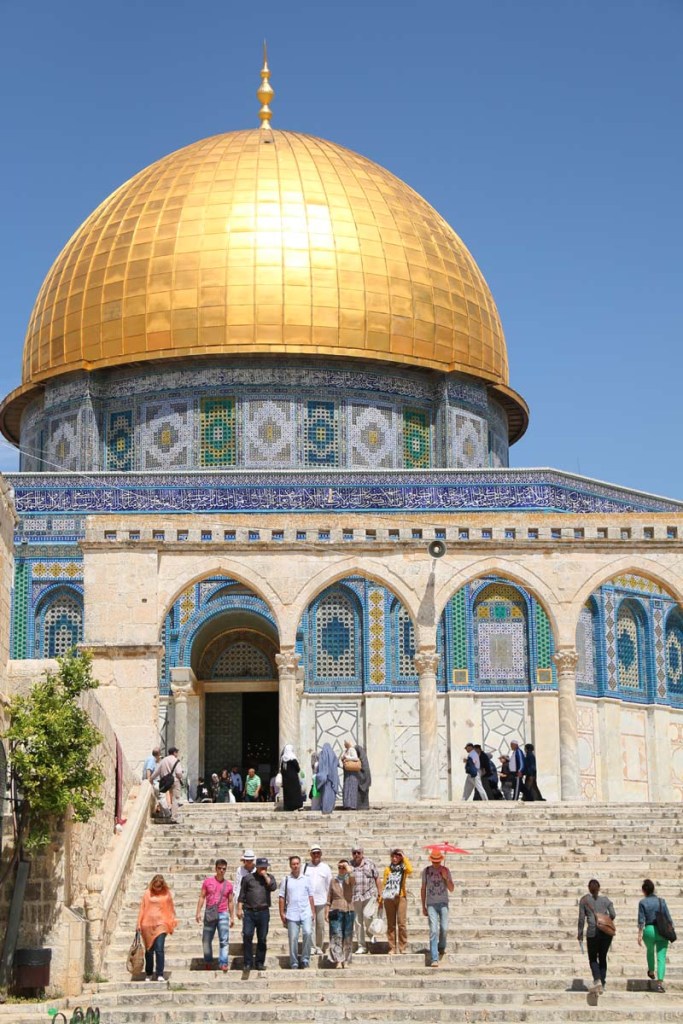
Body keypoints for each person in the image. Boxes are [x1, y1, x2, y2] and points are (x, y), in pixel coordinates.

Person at [238, 856, 277, 971]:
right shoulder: (247, 878)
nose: (263, 869)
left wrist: (265, 876)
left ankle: (260, 962)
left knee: (262, 937)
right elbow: (242, 895)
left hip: (263, 912)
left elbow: (273, 887)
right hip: (249, 912)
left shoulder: (269, 878)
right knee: (247, 935)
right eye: (261, 867)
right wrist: (239, 909)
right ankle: (248, 963)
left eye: (265, 867)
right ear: (257, 867)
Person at [577, 878, 616, 996]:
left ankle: (597, 979)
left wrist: (580, 934)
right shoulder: (606, 900)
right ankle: (602, 984)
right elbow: (613, 914)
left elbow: (581, 919)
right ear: (599, 888)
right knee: (603, 956)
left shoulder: (584, 900)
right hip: (605, 932)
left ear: (589, 888)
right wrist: (605, 920)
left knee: (593, 958)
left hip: (592, 932)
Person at [136, 874, 177, 982]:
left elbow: (170, 909)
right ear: (152, 884)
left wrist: (171, 923)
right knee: (149, 950)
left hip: (161, 924)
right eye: (156, 886)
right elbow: (142, 908)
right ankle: (149, 973)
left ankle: (159, 973)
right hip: (147, 924)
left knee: (159, 949)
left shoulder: (166, 894)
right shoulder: (147, 894)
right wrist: (138, 924)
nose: (157, 889)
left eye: (159, 886)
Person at [196, 859, 234, 972]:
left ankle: (223, 962)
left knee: (224, 940)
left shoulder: (228, 885)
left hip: (223, 913)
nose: (222, 871)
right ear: (215, 868)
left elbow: (231, 901)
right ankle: (208, 961)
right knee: (206, 940)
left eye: (224, 869)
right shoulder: (208, 882)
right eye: (220, 868)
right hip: (210, 913)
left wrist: (232, 917)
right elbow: (202, 896)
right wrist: (198, 912)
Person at [279, 855, 315, 968]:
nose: (295, 866)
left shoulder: (306, 879)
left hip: (305, 911)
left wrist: (313, 911)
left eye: (297, 864)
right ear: (290, 865)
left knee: (308, 932)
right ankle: (294, 961)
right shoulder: (286, 880)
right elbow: (281, 897)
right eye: (293, 864)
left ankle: (305, 958)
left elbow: (310, 896)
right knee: (293, 938)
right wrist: (281, 913)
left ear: (300, 864)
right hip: (292, 913)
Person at [638, 878, 674, 992]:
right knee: (661, 957)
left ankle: (651, 971)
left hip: (649, 930)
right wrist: (671, 929)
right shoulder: (661, 901)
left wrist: (639, 934)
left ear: (644, 891)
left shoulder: (642, 902)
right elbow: (668, 917)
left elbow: (641, 920)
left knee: (650, 950)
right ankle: (659, 984)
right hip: (662, 930)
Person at [421, 850, 454, 967]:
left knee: (444, 928)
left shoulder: (446, 870)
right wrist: (423, 905)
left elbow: (451, 888)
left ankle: (441, 946)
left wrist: (446, 878)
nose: (436, 863)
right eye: (434, 861)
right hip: (431, 904)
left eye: (437, 861)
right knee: (433, 930)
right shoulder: (426, 871)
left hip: (443, 903)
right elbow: (423, 888)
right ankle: (434, 958)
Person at [381, 848, 413, 954]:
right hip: (389, 898)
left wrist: (404, 858)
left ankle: (402, 946)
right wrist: (381, 898)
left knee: (401, 923)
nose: (395, 858)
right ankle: (392, 947)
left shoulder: (403, 869)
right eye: (393, 856)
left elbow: (410, 870)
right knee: (391, 924)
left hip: (400, 897)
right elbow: (384, 883)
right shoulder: (387, 869)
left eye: (397, 856)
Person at [350, 845, 381, 954]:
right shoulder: (350, 865)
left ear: (362, 853)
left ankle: (371, 934)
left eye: (358, 852)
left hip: (369, 894)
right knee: (358, 922)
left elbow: (377, 878)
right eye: (354, 853)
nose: (356, 855)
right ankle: (361, 946)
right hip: (356, 896)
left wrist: (380, 893)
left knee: (368, 916)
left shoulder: (370, 863)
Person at [304, 844, 333, 954]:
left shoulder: (325, 868)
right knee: (310, 925)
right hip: (308, 901)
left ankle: (319, 946)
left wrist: (329, 903)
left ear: (321, 854)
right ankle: (311, 946)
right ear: (310, 854)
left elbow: (329, 885)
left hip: (321, 900)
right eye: (314, 853)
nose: (316, 855)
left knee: (320, 925)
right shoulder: (305, 867)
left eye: (318, 853)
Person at [326, 858, 355, 968]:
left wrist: (348, 869)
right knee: (336, 935)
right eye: (339, 867)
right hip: (335, 909)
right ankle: (338, 960)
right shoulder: (333, 881)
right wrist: (326, 911)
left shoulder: (350, 880)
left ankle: (346, 960)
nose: (341, 869)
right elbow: (329, 897)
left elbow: (353, 879)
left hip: (349, 909)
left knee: (348, 935)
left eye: (343, 868)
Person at [151, 747, 184, 823]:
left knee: (162, 797)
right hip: (175, 781)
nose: (177, 754)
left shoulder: (163, 760)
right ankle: (173, 817)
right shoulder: (176, 760)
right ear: (174, 753)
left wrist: (151, 778)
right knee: (175, 799)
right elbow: (179, 773)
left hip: (165, 782)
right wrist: (180, 776)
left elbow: (157, 771)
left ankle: (165, 813)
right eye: (177, 752)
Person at [315, 743, 339, 815]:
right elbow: (337, 764)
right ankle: (330, 809)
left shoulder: (322, 755)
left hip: (325, 780)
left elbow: (320, 767)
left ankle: (325, 810)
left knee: (325, 794)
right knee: (331, 795)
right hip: (333, 780)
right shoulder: (333, 755)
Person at [280, 745, 304, 811]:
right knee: (296, 792)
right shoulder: (293, 758)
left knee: (288, 793)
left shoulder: (283, 759)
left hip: (286, 779)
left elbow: (282, 770)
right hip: (294, 779)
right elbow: (298, 769)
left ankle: (288, 807)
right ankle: (298, 806)